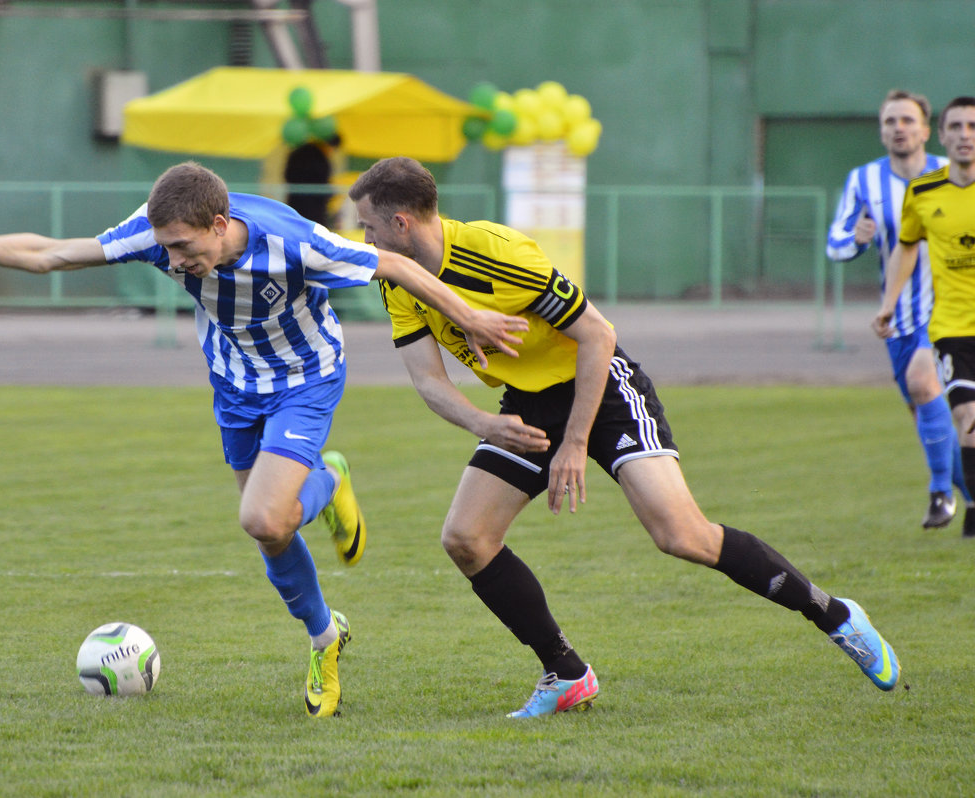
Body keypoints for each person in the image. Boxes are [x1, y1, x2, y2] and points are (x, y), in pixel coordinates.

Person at [0, 161, 529, 718]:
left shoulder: (293, 242)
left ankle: (326, 487)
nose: (173, 261)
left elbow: (391, 262)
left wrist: (468, 316)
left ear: (220, 224)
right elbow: (50, 254)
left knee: (260, 516)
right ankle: (324, 633)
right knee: (271, 531)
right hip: (233, 384)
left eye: (183, 247)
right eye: (165, 247)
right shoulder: (155, 232)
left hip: (304, 379)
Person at [348, 156, 901, 719]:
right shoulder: (400, 280)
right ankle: (565, 672)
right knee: (467, 538)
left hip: (603, 388)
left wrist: (574, 443)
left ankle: (835, 616)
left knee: (682, 536)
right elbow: (428, 380)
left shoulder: (497, 253)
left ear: (401, 224)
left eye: (366, 225)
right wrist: (483, 424)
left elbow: (597, 335)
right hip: (529, 405)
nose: (361, 237)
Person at [828, 89, 970, 530]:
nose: (899, 128)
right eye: (890, 121)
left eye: (908, 120)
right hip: (900, 320)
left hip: (949, 312)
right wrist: (858, 238)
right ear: (881, 130)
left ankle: (940, 493)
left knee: (926, 384)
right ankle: (968, 498)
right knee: (932, 413)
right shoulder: (863, 181)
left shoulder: (954, 175)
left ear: (929, 131)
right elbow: (835, 243)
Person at [875, 96, 975, 539]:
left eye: (973, 126)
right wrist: (888, 303)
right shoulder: (923, 192)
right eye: (957, 127)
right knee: (969, 421)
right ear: (943, 134)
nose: (965, 135)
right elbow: (907, 247)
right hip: (953, 328)